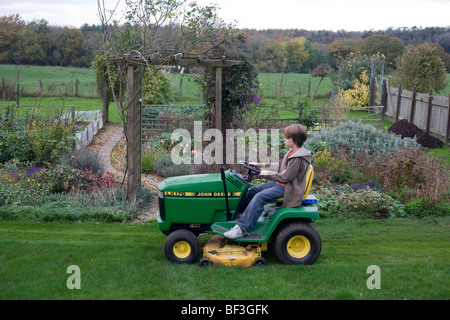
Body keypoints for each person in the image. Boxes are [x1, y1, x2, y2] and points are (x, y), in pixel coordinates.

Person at [224, 123, 312, 239]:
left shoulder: (298, 158)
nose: (284, 139)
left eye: (287, 137)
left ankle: (241, 229)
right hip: (281, 184)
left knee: (259, 197)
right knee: (253, 191)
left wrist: (267, 174)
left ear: (294, 140)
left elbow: (287, 177)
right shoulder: (292, 152)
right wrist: (260, 165)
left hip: (288, 188)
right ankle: (240, 216)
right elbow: (279, 165)